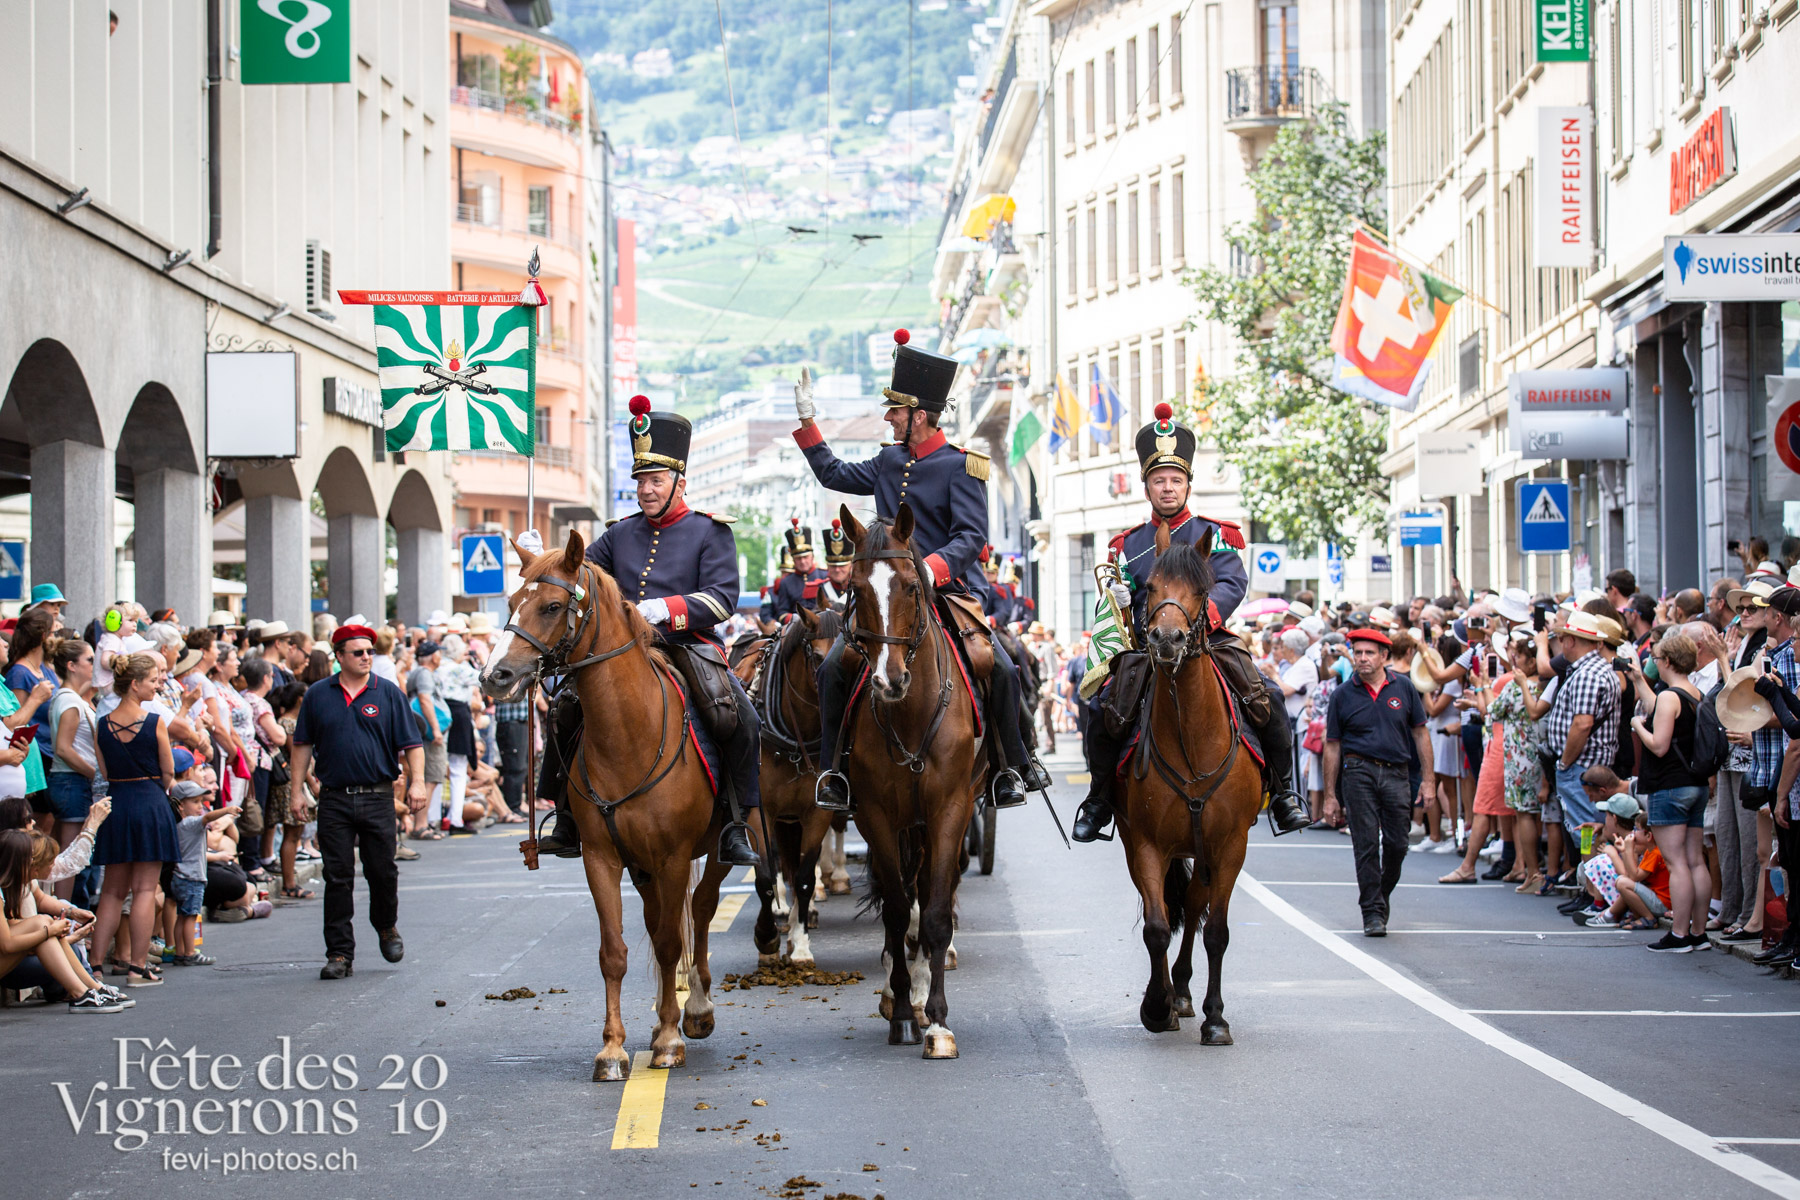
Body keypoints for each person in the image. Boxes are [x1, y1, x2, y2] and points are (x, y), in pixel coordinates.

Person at [792, 340, 1050, 813]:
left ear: (920, 416)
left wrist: (929, 569)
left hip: (945, 590)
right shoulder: (888, 461)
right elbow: (832, 473)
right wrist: (809, 422)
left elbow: (970, 537)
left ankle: (1013, 766)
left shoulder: (961, 465)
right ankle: (834, 772)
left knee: (1001, 664)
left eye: (895, 411)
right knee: (830, 669)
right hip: (886, 594)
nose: (888, 418)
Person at [530, 397, 762, 866]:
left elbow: (722, 599)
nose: (646, 490)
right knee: (565, 708)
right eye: (640, 481)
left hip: (687, 645)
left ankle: (736, 823)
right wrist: (543, 561)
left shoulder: (710, 532)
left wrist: (664, 610)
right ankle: (566, 818)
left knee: (739, 719)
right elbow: (576, 572)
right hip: (621, 650)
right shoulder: (620, 533)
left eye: (656, 480)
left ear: (680, 482)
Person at [1072, 403, 1309, 842]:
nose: (1167, 488)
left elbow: (1232, 582)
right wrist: (1122, 602)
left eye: (1175, 480)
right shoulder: (1128, 544)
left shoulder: (1214, 533)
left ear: (1187, 485)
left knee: (1270, 697)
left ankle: (1283, 793)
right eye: (1159, 480)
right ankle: (1099, 798)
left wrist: (1201, 619)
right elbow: (1123, 607)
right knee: (1101, 709)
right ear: (1146, 487)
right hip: (1149, 646)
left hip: (1207, 640)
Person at [289, 623, 425, 980]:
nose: (366, 657)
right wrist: (295, 791)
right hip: (334, 798)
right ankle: (339, 953)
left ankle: (386, 926)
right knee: (337, 876)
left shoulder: (388, 692)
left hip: (378, 796)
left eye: (370, 652)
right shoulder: (318, 694)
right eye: (358, 652)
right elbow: (301, 745)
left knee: (382, 871)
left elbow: (412, 744)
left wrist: (417, 783)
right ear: (339, 657)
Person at [1321, 628, 1435, 937]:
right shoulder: (1342, 694)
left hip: (1397, 772)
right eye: (1358, 652)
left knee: (1398, 844)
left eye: (1369, 653)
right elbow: (1332, 745)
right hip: (1358, 772)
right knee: (1366, 844)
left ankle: (1381, 894)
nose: (1362, 658)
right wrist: (1330, 796)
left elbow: (1421, 733)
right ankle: (1371, 911)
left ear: (1384, 656)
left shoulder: (1405, 687)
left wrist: (1428, 781)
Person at [87, 652, 176, 987]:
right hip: (150, 803)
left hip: (117, 803)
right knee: (144, 890)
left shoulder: (102, 725)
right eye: (153, 680)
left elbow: (104, 770)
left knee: (112, 891)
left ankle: (95, 966)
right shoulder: (155, 722)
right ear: (135, 684)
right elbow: (168, 771)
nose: (158, 685)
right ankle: (137, 968)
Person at [0, 828, 129, 1013]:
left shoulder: (12, 884)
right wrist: (49, 933)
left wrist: (57, 925)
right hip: (9, 965)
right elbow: (6, 944)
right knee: (45, 927)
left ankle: (91, 988)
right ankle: (81, 993)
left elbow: (11, 925)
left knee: (44, 922)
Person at [1540, 611, 1622, 849]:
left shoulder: (1587, 674)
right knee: (1588, 829)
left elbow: (1582, 724)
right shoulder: (1594, 669)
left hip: (1580, 766)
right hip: (1586, 765)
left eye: (1562, 638)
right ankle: (1591, 868)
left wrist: (1565, 763)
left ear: (1571, 640)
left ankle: (1592, 869)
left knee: (1587, 832)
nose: (1561, 643)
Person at [46, 637, 102, 906]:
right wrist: (95, 774)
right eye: (89, 660)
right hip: (72, 782)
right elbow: (63, 749)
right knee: (71, 857)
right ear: (71, 665)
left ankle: (66, 912)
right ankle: (63, 914)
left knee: (76, 854)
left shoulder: (72, 699)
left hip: (73, 782)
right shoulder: (69, 700)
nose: (94, 664)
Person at [167, 780, 238, 965]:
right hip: (192, 878)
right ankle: (190, 953)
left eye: (201, 801)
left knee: (182, 916)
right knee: (191, 916)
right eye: (195, 802)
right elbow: (207, 819)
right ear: (180, 805)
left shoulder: (179, 825)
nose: (201, 806)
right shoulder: (190, 823)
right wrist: (227, 811)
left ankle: (180, 952)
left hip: (180, 876)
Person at [770, 520, 827, 621]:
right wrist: (797, 619)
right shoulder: (785, 583)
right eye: (798, 558)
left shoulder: (825, 576)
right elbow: (782, 612)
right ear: (793, 559)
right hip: (797, 625)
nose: (803, 561)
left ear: (812, 556)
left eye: (805, 557)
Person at [819, 518, 855, 610]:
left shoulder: (860, 590)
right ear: (827, 566)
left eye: (842, 566)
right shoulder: (818, 591)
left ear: (851, 565)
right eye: (833, 566)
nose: (837, 570)